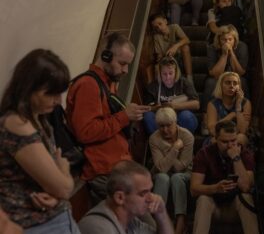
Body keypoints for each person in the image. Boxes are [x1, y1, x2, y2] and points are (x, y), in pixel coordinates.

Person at [0, 49, 80, 233]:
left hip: (53, 218)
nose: (58, 101)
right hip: (39, 224)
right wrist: (64, 170)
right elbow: (62, 188)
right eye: (50, 94)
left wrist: (58, 196)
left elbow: (57, 190)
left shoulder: (39, 119)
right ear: (29, 87)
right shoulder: (16, 123)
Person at [66, 32, 150, 203]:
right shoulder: (88, 85)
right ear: (106, 56)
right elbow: (86, 132)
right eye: (122, 63)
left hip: (116, 168)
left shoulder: (106, 83)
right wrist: (124, 116)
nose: (126, 70)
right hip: (104, 171)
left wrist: (127, 116)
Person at [190, 120, 258, 234]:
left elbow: (246, 187)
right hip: (213, 206)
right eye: (225, 142)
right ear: (216, 139)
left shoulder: (244, 154)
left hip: (234, 206)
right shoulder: (204, 154)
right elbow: (194, 189)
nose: (230, 145)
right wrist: (215, 188)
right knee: (203, 199)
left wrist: (236, 158)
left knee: (246, 197)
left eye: (233, 140)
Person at [78, 160, 174, 234]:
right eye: (143, 193)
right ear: (120, 198)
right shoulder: (99, 228)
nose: (151, 198)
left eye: (150, 191)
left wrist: (161, 213)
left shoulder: (130, 221)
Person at [149, 107, 193, 234]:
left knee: (176, 177)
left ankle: (181, 220)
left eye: (168, 125)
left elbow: (181, 166)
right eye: (161, 126)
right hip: (163, 173)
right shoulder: (154, 138)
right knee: (163, 177)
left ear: (176, 122)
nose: (165, 130)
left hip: (185, 173)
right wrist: (174, 148)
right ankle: (158, 219)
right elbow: (161, 168)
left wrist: (165, 151)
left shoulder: (187, 136)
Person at [143, 56, 199, 135]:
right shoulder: (153, 86)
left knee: (187, 116)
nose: (168, 77)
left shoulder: (183, 82)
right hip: (161, 118)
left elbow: (196, 104)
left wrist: (174, 106)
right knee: (148, 116)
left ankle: (182, 139)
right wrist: (157, 107)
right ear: (160, 73)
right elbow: (146, 108)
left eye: (170, 73)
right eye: (164, 74)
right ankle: (160, 141)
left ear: (176, 72)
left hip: (178, 117)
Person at [202, 24, 249, 111]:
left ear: (235, 40)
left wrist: (231, 54)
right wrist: (224, 55)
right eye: (224, 39)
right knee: (210, 83)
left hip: (235, 77)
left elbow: (241, 72)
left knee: (243, 81)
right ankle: (205, 114)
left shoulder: (242, 47)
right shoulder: (212, 48)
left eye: (230, 39)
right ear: (219, 40)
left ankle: (245, 113)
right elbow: (214, 73)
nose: (227, 42)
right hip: (218, 77)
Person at [207, 72, 251, 146]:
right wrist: (232, 115)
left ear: (239, 86)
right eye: (228, 83)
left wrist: (238, 107)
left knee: (241, 138)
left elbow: (243, 130)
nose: (231, 86)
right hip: (219, 137)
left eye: (235, 83)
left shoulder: (245, 103)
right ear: (221, 85)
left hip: (236, 136)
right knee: (215, 141)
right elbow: (212, 131)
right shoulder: (213, 104)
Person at [149, 13, 194, 84]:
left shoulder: (174, 27)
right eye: (156, 27)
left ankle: (189, 78)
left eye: (160, 24)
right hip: (168, 59)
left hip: (180, 57)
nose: (159, 28)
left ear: (165, 21)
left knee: (185, 47)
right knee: (157, 67)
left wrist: (175, 46)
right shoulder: (156, 37)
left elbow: (187, 40)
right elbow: (159, 55)